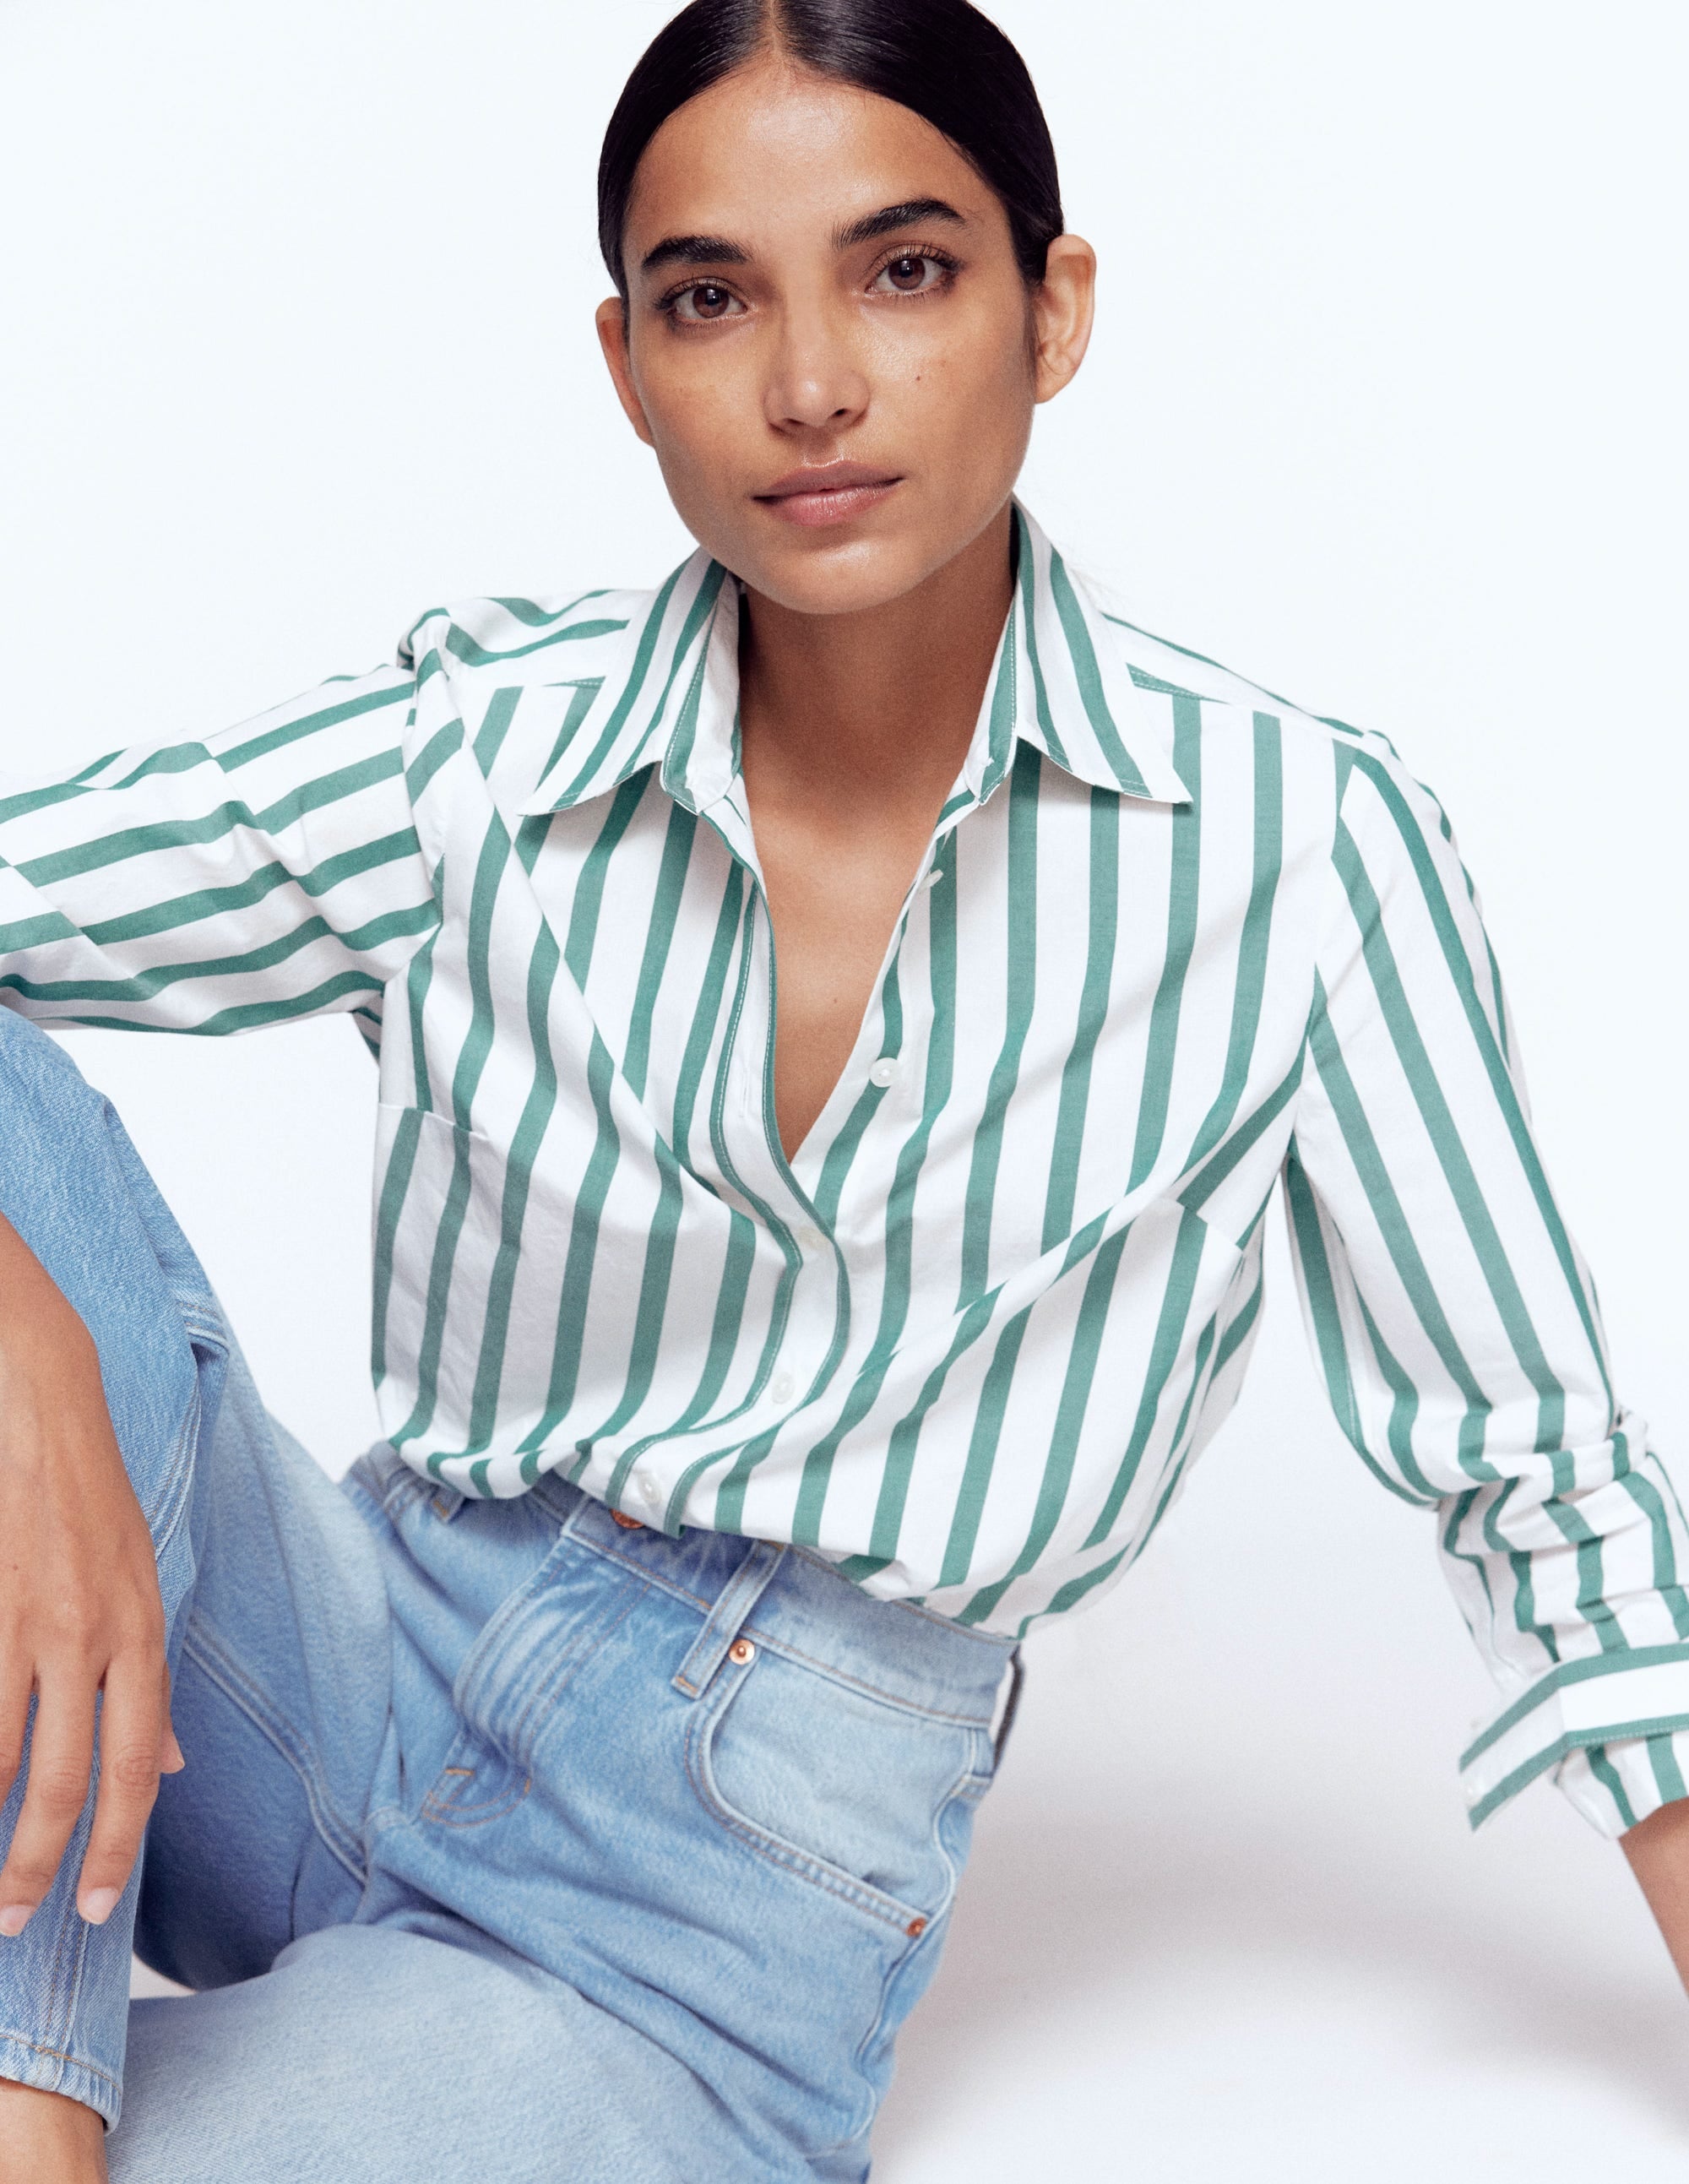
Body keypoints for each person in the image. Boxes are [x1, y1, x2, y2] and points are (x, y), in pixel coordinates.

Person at [0, 0, 1685, 2176]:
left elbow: (1546, 1485)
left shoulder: (1299, 849)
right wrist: (30, 1355)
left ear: (1050, 309)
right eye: (713, 301)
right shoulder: (477, 759)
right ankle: (34, 2072)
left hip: (690, 1927)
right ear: (625, 365)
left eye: (905, 270)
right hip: (318, 1669)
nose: (809, 385)